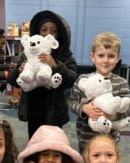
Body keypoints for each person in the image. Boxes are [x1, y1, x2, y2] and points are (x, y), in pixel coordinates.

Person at [7, 10, 78, 139]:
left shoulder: (65, 55)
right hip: (33, 107)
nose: (47, 33)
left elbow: (72, 79)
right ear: (38, 32)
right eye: (43, 29)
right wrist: (19, 70)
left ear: (59, 34)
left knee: (54, 144)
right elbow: (12, 80)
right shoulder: (28, 53)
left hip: (54, 109)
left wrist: (55, 65)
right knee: (34, 141)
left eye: (53, 30)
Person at [69, 32, 130, 154]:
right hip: (86, 138)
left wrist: (113, 116)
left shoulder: (121, 83)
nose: (106, 60)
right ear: (93, 57)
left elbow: (129, 109)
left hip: (110, 139)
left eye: (111, 56)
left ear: (118, 58)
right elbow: (71, 102)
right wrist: (84, 108)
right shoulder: (83, 80)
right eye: (101, 55)